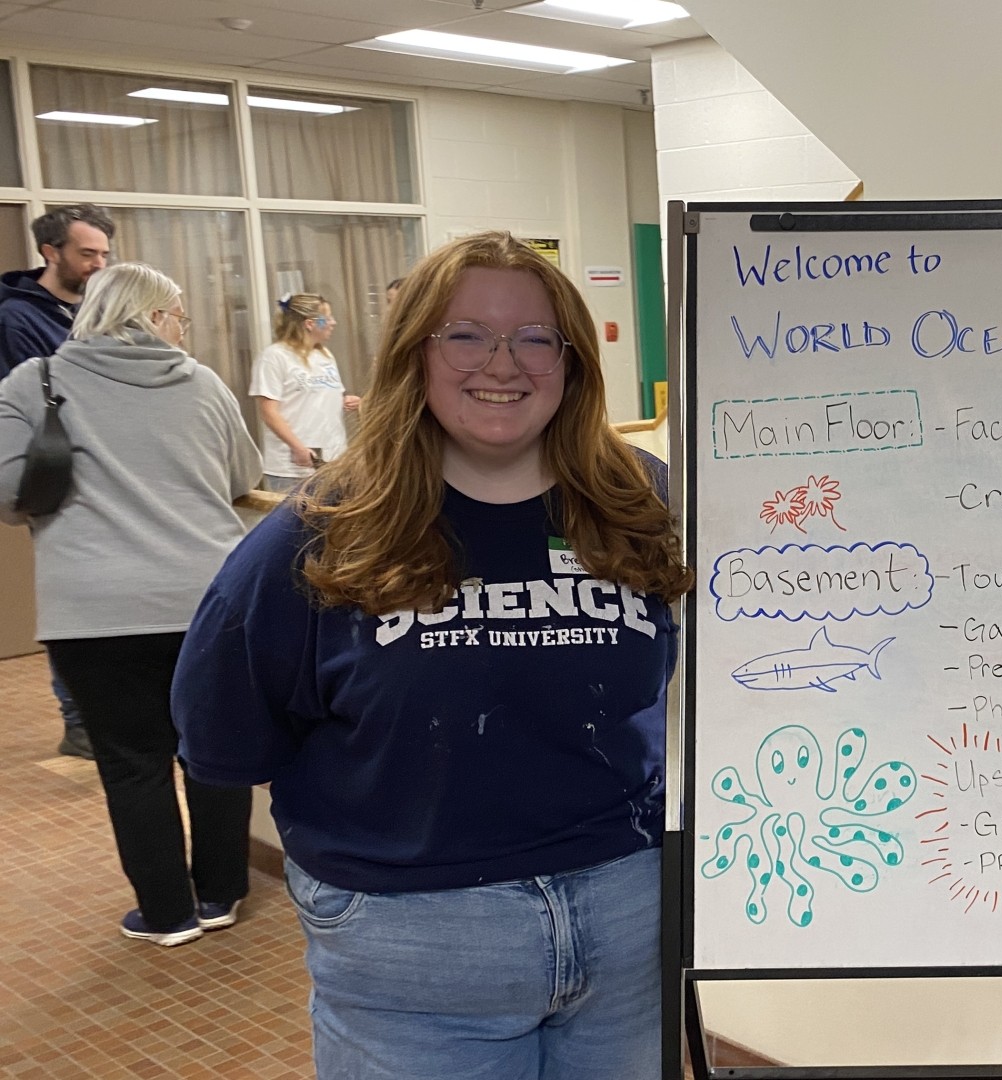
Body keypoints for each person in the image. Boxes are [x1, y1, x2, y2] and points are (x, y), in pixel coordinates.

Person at [173, 232, 693, 1077]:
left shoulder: (643, 500)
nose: (504, 362)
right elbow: (226, 734)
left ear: (571, 360)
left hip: (628, 914)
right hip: (413, 936)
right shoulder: (321, 532)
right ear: (416, 351)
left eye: (535, 336)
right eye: (466, 334)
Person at [0, 262, 260, 947]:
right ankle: (222, 894)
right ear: (155, 317)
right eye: (180, 315)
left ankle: (168, 915)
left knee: (131, 761)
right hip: (208, 599)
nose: (184, 329)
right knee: (209, 753)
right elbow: (243, 475)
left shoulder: (35, 383)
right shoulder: (203, 382)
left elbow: (7, 495)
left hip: (94, 610)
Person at [0, 203, 116, 760]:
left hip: (114, 473)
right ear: (52, 252)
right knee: (75, 596)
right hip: (61, 478)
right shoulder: (17, 318)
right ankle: (79, 721)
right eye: (87, 253)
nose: (98, 264)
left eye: (104, 255)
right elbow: (27, 403)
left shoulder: (107, 312)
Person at [251, 293, 360, 493]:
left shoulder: (325, 356)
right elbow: (269, 412)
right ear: (310, 323)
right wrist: (297, 447)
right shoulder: (274, 357)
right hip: (292, 468)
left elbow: (317, 396)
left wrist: (345, 400)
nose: (333, 323)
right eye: (328, 318)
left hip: (333, 462)